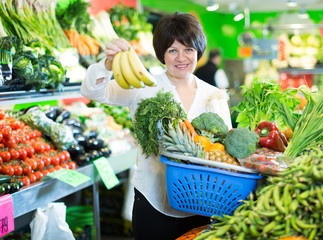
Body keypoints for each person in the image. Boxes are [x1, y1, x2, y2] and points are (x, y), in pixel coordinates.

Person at [81, 12, 232, 240]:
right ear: (162, 53)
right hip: (154, 204)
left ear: (198, 51)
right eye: (173, 50)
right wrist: (108, 64)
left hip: (202, 204)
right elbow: (92, 91)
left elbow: (226, 149)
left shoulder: (215, 95)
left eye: (188, 49)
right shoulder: (144, 87)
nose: (181, 58)